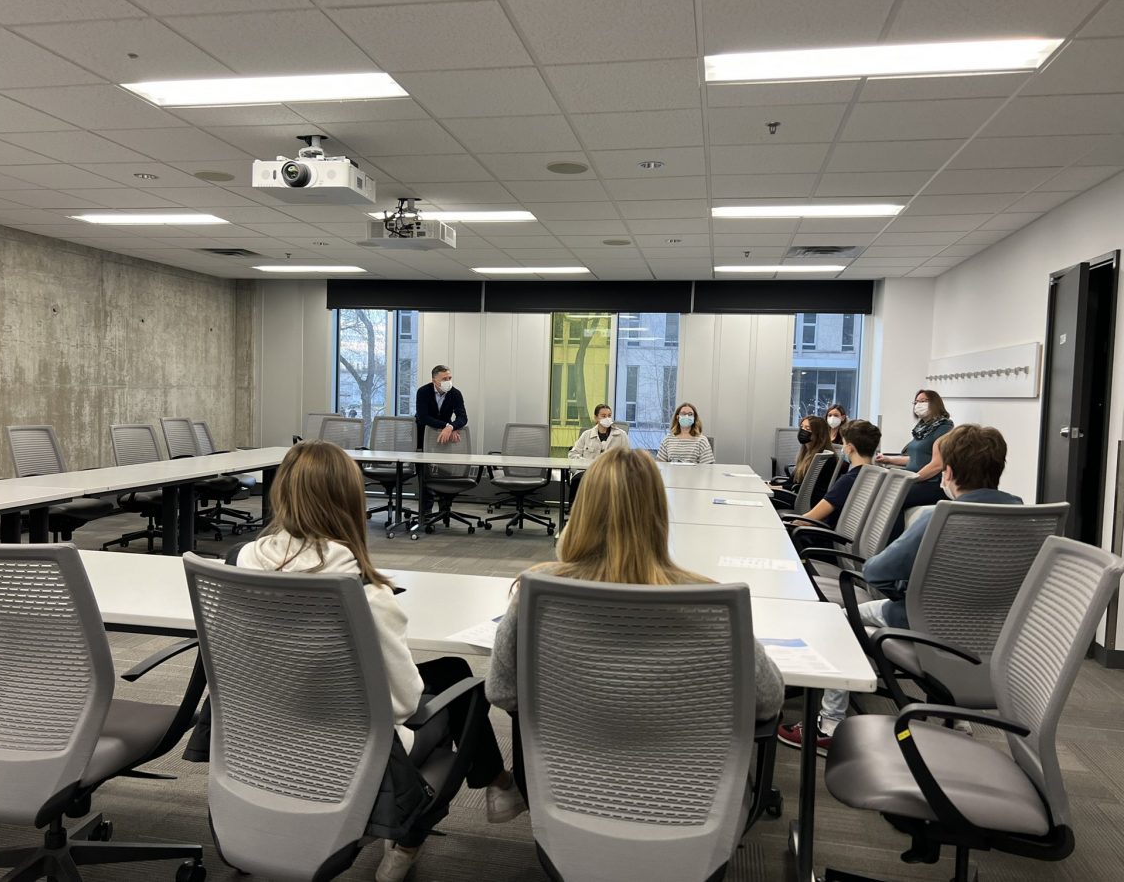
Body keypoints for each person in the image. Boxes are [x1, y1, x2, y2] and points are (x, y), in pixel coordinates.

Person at [235, 441, 524, 882]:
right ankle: (413, 830)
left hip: (263, 733)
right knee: (462, 696)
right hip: (348, 749)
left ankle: (497, 786)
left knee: (452, 671)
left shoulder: (238, 565)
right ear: (350, 503)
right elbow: (404, 704)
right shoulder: (364, 595)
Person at [487, 448, 785, 797]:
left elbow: (502, 692)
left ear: (581, 511)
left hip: (568, 792)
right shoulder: (710, 602)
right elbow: (768, 699)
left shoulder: (538, 591)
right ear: (659, 513)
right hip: (688, 802)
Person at [779, 424, 1019, 754]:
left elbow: (876, 571)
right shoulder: (1027, 519)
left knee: (839, 622)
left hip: (921, 621)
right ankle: (957, 721)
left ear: (948, 472)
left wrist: (906, 590)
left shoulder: (940, 517)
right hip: (992, 635)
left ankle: (830, 724)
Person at [790, 420, 881, 530]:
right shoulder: (879, 477)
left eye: (844, 443)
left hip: (825, 536)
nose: (843, 448)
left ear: (849, 448)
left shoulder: (848, 481)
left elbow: (808, 519)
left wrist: (787, 523)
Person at [876, 389, 954, 511]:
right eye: (916, 402)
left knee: (892, 498)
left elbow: (937, 465)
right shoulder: (922, 429)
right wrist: (889, 459)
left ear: (935, 403)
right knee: (881, 491)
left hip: (932, 483)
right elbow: (916, 458)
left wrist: (911, 479)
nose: (918, 405)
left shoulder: (944, 428)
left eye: (923, 401)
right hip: (916, 479)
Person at [566, 403, 629, 504]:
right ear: (596, 418)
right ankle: (574, 511)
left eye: (609, 415)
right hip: (588, 471)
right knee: (578, 480)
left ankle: (610, 511)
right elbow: (572, 454)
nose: (607, 418)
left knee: (612, 482)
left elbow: (627, 458)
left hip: (611, 472)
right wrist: (585, 463)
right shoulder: (587, 435)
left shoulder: (621, 435)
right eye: (603, 416)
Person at [771, 416, 834, 506]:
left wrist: (775, 488)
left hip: (805, 501)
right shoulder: (806, 453)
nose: (803, 431)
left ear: (818, 433)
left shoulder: (822, 458)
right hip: (798, 495)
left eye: (807, 428)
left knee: (766, 496)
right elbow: (792, 482)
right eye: (802, 427)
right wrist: (772, 486)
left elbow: (803, 487)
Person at [414, 364, 467, 451]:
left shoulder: (455, 393)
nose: (448, 381)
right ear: (434, 381)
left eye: (449, 378)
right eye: (444, 379)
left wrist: (452, 427)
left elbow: (463, 417)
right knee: (422, 457)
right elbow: (423, 417)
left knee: (442, 457)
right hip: (423, 431)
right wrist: (446, 426)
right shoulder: (423, 391)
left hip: (444, 434)